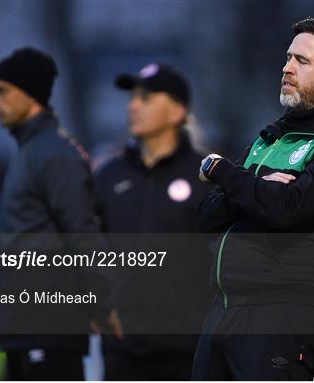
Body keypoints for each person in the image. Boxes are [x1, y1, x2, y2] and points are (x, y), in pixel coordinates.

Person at [193, 18, 314, 380]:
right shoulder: (272, 138)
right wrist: (255, 186)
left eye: (301, 61)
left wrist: (225, 172)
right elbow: (206, 215)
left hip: (279, 316)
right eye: (288, 58)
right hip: (222, 310)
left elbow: (286, 209)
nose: (287, 67)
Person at [0, 47, 121, 380]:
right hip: (25, 327)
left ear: (30, 94)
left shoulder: (54, 155)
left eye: (1, 91)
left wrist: (104, 304)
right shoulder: (31, 152)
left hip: (47, 325)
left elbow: (82, 234)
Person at [93, 63, 212, 380]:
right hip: (123, 350)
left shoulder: (207, 176)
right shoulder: (109, 175)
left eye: (146, 98)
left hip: (189, 348)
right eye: (133, 98)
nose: (133, 106)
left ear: (177, 111)